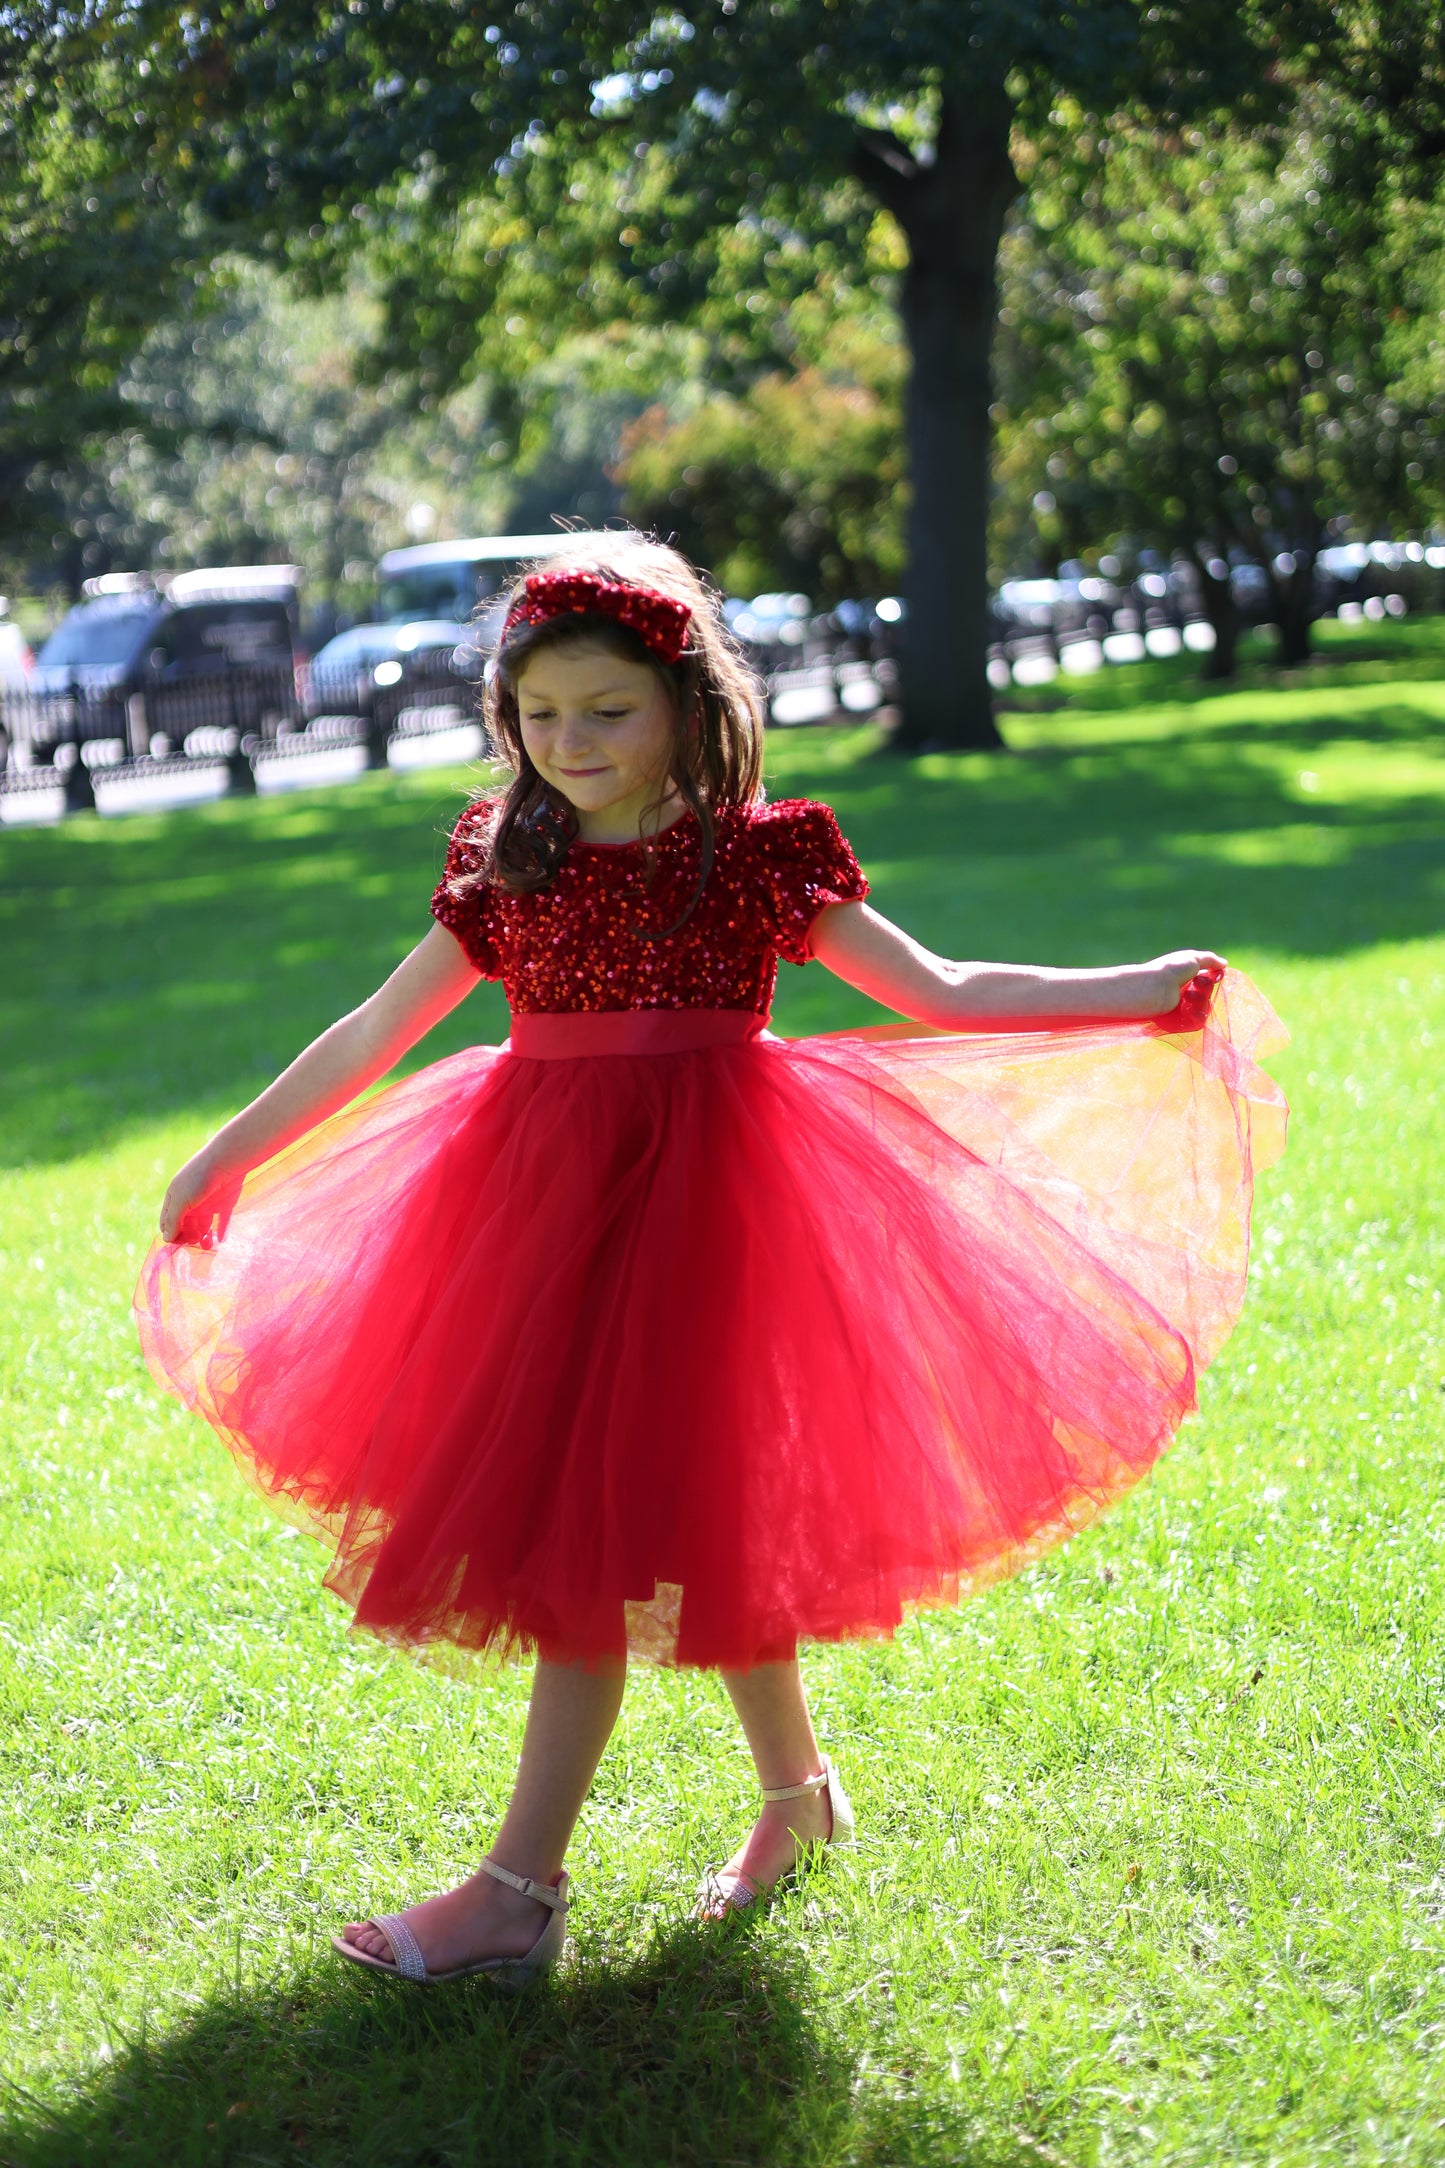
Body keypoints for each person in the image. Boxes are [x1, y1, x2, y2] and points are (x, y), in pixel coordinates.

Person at [135, 536, 1286, 1990]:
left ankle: (514, 1895)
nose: (571, 742)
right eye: (541, 714)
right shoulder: (507, 856)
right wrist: (226, 1152)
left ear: (686, 704)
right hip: (538, 1215)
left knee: (618, 1542)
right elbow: (375, 1028)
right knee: (659, 1514)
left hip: (716, 1205)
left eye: (606, 711)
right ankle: (796, 1802)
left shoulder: (751, 858)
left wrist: (1140, 989)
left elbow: (940, 989)